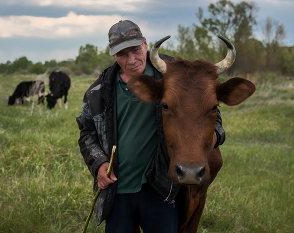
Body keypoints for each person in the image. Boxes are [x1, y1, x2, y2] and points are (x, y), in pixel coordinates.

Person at [76, 20, 225, 233]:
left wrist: (216, 136)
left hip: (159, 186)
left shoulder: (175, 76)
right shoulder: (98, 91)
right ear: (113, 55)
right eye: (122, 55)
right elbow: (86, 132)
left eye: (136, 50)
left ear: (145, 43)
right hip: (118, 188)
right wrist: (99, 164)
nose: (131, 60)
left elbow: (210, 112)